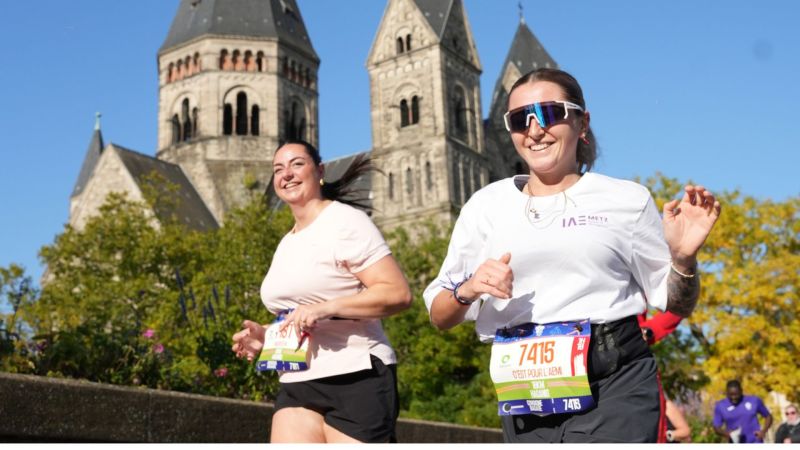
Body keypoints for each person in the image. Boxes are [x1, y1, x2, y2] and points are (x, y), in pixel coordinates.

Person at [423, 68, 721, 443]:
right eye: (520, 119)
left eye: (549, 113)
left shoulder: (625, 200)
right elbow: (440, 315)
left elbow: (676, 302)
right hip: (525, 394)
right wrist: (467, 289)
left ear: (582, 122)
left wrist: (683, 259)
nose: (534, 130)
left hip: (614, 381)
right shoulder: (485, 206)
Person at [231, 140, 412, 443]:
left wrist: (326, 307)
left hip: (355, 374)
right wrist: (266, 336)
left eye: (297, 164)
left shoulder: (346, 221)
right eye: (278, 169)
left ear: (320, 171)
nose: (287, 174)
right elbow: (299, 313)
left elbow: (397, 293)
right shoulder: (288, 241)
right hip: (297, 380)